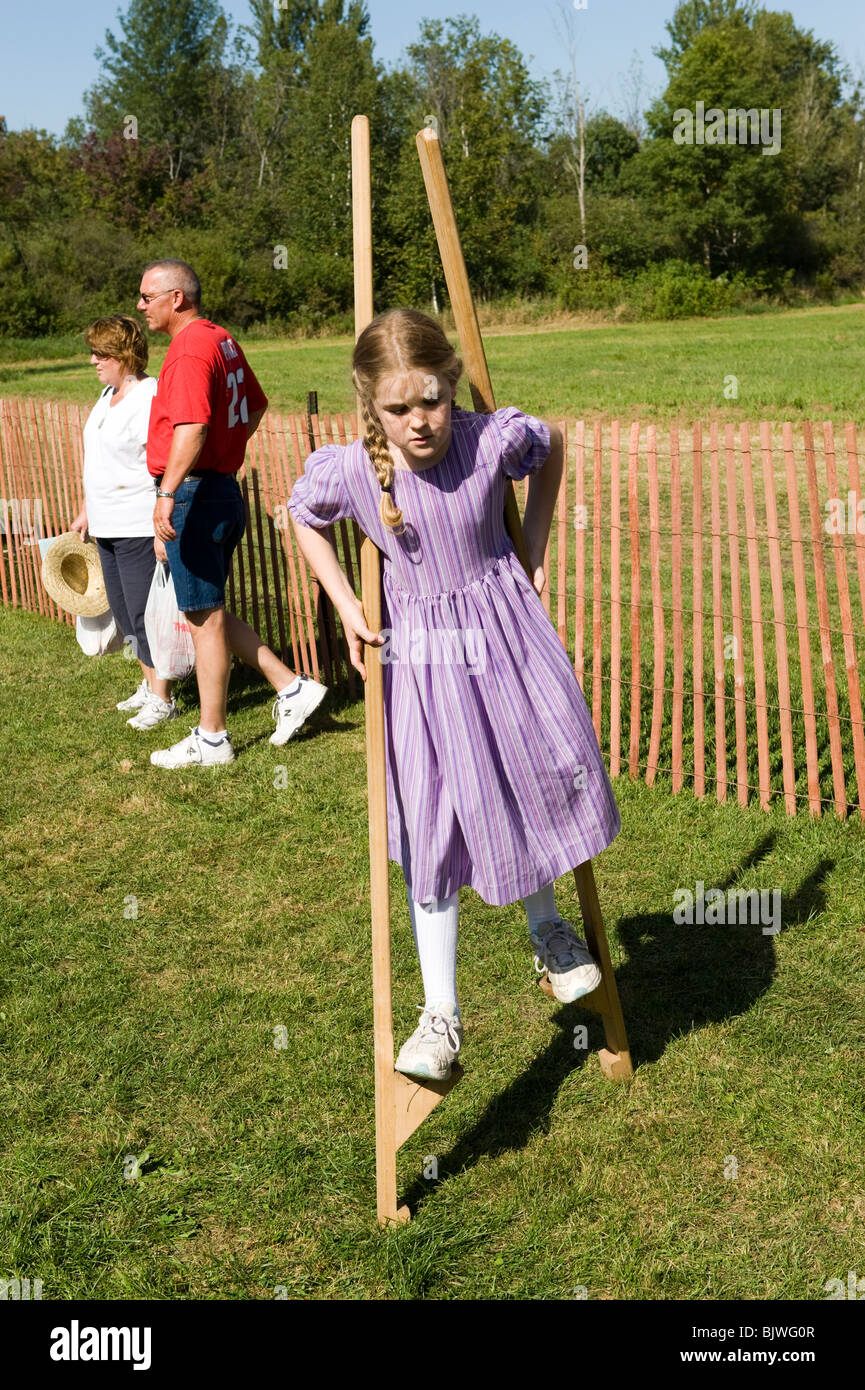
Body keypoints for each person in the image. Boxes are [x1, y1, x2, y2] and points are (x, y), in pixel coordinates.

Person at [288, 308, 621, 1082]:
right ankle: (440, 1013)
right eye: (397, 409)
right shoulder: (350, 469)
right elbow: (300, 516)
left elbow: (552, 444)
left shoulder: (487, 439)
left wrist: (534, 543)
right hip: (425, 659)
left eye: (430, 400)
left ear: (452, 384)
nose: (418, 422)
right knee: (434, 814)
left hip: (504, 639)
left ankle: (549, 933)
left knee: (525, 777)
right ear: (370, 405)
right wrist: (344, 605)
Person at [138, 258, 327, 768]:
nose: (140, 306)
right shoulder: (221, 339)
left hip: (195, 493)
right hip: (221, 489)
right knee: (209, 610)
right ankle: (291, 688)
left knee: (202, 618)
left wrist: (166, 492)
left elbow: (193, 427)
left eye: (147, 296)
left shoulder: (187, 350)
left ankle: (213, 738)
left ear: (177, 297)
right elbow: (257, 405)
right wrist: (227, 450)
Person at [70, 314, 177, 730]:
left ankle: (163, 697)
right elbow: (99, 460)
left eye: (102, 353)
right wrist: (86, 508)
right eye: (93, 352)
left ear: (124, 354)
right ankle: (148, 684)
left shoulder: (149, 397)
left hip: (136, 522)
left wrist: (159, 524)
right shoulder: (106, 395)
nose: (94, 360)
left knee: (143, 613)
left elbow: (162, 463)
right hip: (105, 522)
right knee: (122, 609)